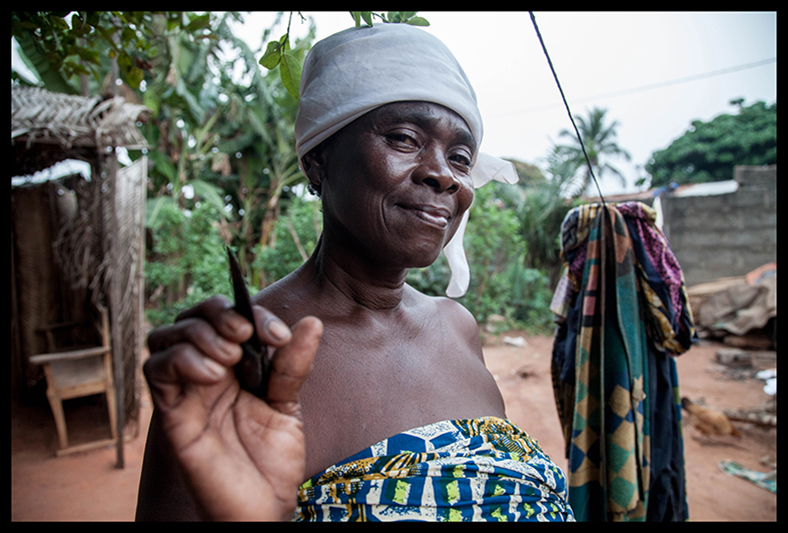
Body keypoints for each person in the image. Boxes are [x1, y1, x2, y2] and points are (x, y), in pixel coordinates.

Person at [136, 23, 574, 522]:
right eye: (405, 138)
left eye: (459, 157)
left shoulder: (459, 327)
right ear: (319, 161)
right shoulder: (245, 358)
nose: (444, 174)